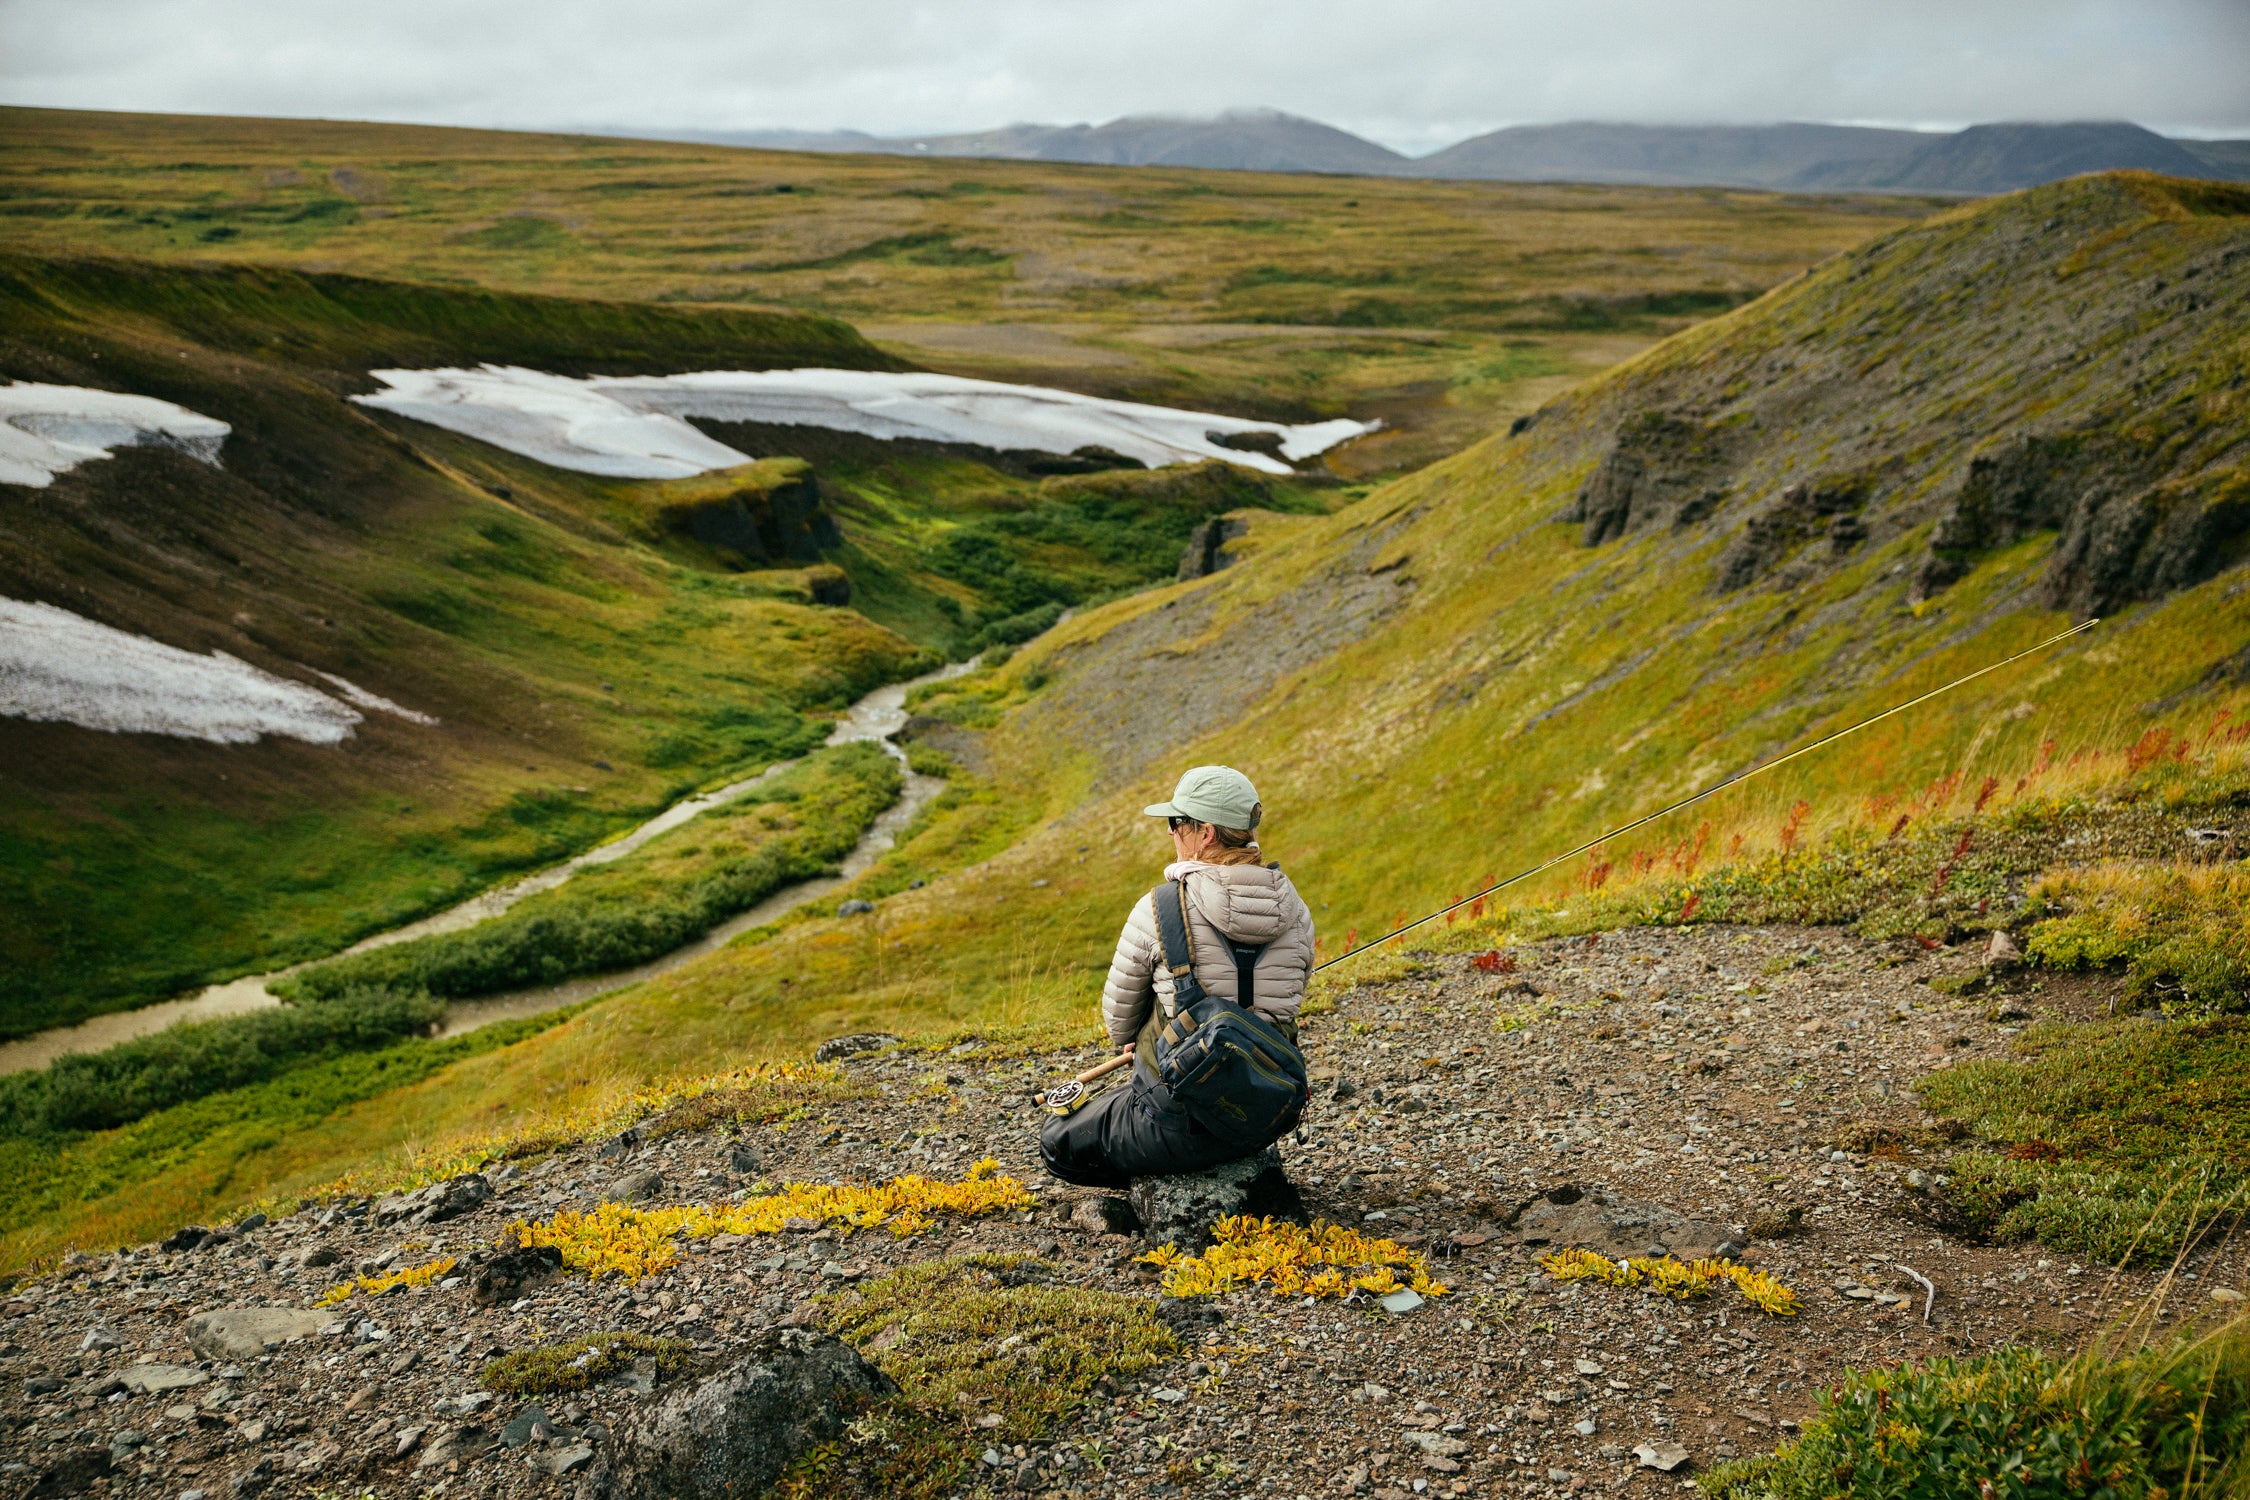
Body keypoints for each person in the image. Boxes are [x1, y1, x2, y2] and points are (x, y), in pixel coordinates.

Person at [1039, 764, 1316, 1187]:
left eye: (1176, 822)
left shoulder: (1159, 908)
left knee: (1057, 1141)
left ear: (1205, 834)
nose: (1171, 833)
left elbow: (1120, 1024)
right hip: (1263, 1115)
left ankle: (1167, 1188)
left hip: (1178, 1120)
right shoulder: (1297, 913)